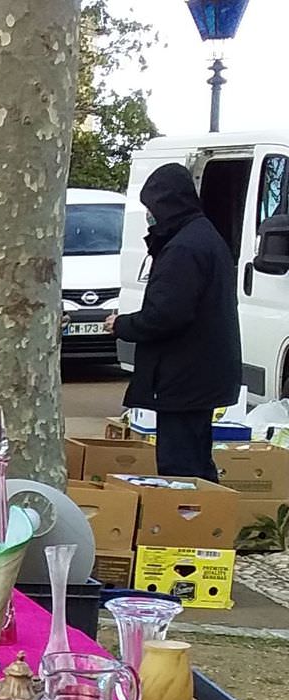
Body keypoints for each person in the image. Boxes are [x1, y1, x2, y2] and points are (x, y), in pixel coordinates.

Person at [107, 163, 242, 481]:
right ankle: (211, 523)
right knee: (197, 460)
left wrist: (122, 325)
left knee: (180, 466)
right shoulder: (203, 236)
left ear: (164, 205)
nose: (148, 216)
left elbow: (166, 314)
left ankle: (189, 527)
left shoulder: (183, 247)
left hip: (184, 376)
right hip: (201, 372)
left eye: (151, 208)